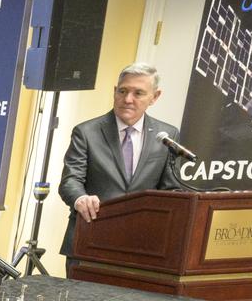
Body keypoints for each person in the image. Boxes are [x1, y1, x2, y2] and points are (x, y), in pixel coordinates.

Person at [58, 62, 181, 259]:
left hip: (142, 246)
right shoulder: (86, 132)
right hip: (90, 239)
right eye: (122, 91)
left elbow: (171, 188)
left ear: (155, 97)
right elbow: (70, 181)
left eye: (138, 93)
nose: (128, 99)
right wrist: (80, 199)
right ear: (115, 91)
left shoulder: (167, 135)